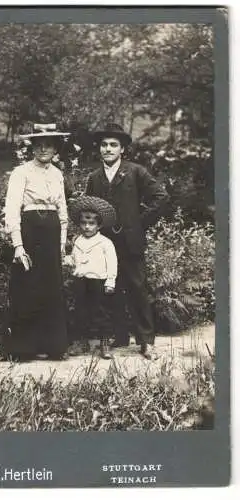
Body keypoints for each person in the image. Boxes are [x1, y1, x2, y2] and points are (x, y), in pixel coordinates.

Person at [85, 123, 169, 360]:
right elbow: (90, 209)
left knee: (138, 288)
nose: (108, 149)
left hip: (131, 242)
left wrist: (139, 223)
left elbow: (161, 197)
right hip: (104, 244)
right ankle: (115, 337)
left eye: (113, 145)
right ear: (99, 149)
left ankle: (146, 341)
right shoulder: (94, 177)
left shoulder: (136, 172)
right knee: (108, 289)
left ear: (122, 149)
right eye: (104, 145)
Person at [0, 123, 70, 362]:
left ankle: (52, 346)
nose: (44, 149)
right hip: (30, 230)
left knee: (51, 285)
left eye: (48, 144)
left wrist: (62, 242)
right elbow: (12, 209)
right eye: (39, 145)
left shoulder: (58, 174)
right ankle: (22, 348)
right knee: (28, 283)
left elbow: (62, 209)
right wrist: (18, 245)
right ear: (32, 147)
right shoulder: (21, 172)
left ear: (55, 148)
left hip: (51, 232)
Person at [65, 196, 118, 359]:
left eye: (91, 224)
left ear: (99, 225)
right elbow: (75, 260)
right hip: (81, 280)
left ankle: (105, 343)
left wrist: (110, 281)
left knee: (101, 312)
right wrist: (68, 260)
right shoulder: (78, 241)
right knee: (80, 311)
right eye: (83, 223)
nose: (87, 227)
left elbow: (112, 263)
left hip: (98, 281)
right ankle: (82, 342)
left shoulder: (105, 242)